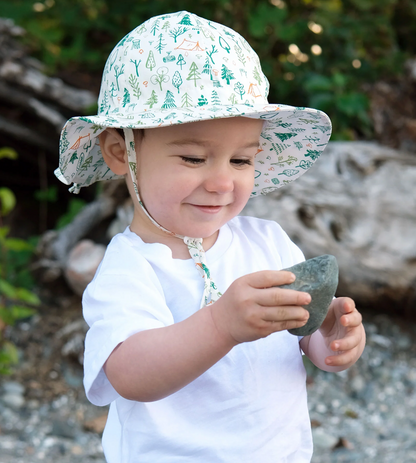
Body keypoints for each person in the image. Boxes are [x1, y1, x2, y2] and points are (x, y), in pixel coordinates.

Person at [55, 10, 365, 463]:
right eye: (194, 158)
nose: (223, 183)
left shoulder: (268, 242)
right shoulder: (130, 267)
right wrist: (221, 326)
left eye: (241, 161)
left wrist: (329, 341)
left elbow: (299, 337)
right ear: (123, 153)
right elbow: (129, 375)